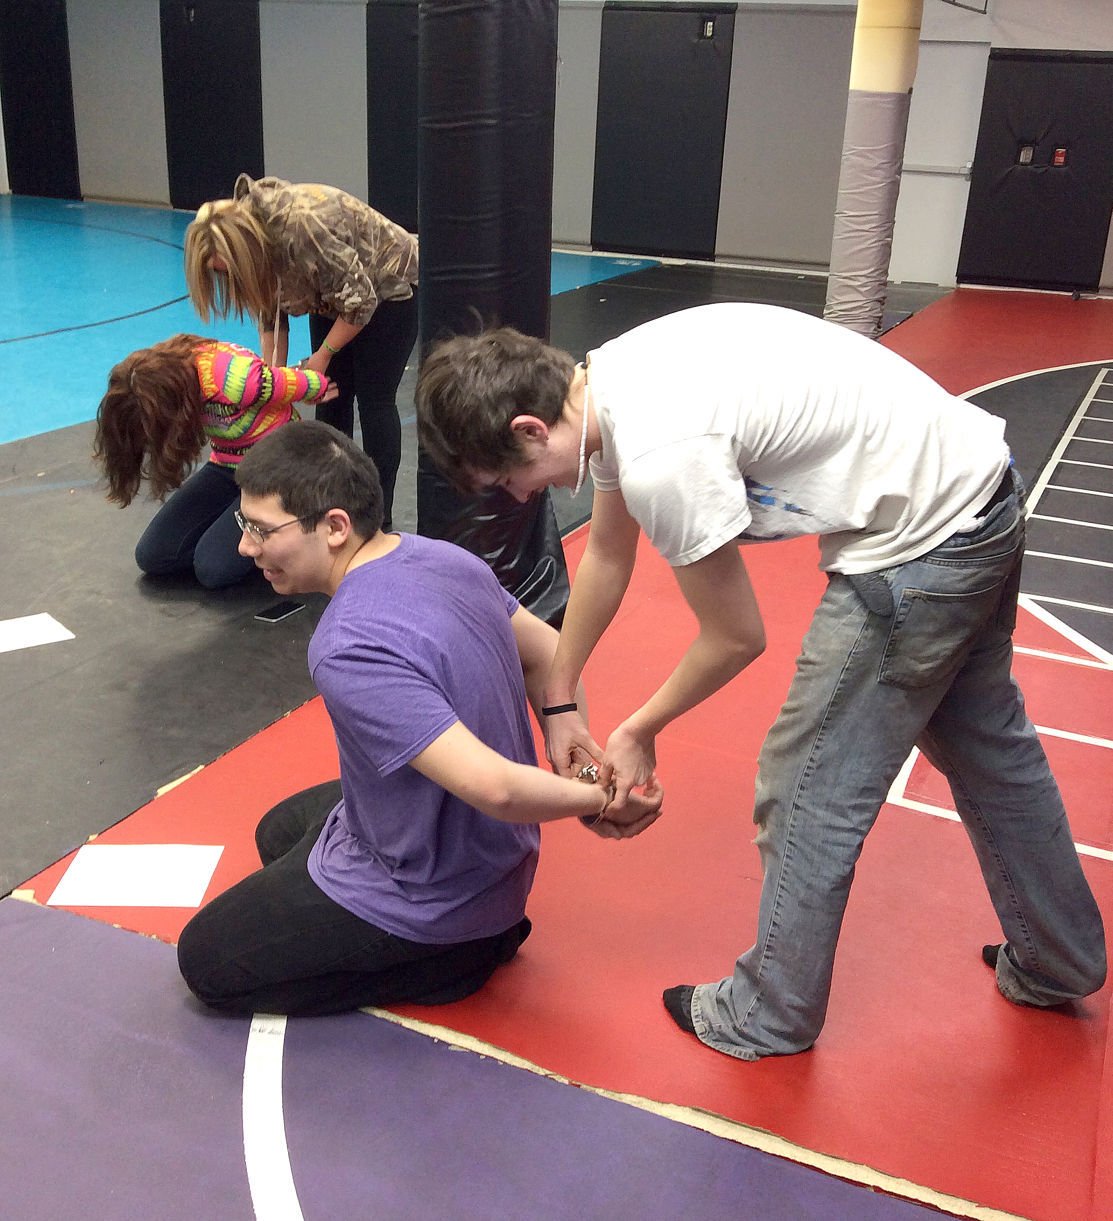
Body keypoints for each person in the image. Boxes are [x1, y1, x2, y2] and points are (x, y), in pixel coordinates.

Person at [414, 302, 1107, 1060]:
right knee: (985, 744)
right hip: (979, 495)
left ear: (529, 429)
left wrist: (639, 728)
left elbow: (735, 636)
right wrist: (560, 694)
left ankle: (769, 1011)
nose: (520, 498)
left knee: (805, 783)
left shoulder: (660, 454)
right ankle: (1058, 955)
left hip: (923, 552)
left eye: (511, 480)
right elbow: (609, 555)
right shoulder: (606, 379)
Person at [176, 419, 662, 1017]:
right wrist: (567, 726)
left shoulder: (347, 646)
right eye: (243, 526)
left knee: (206, 963)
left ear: (334, 527)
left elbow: (497, 788)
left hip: (441, 899)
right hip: (494, 856)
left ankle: (447, 960)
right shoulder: (443, 557)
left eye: (261, 531)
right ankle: (466, 931)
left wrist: (594, 801)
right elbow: (547, 656)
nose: (246, 548)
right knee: (279, 830)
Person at [184, 173, 419, 530]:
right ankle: (332, 497)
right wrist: (272, 380)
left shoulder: (300, 228)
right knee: (330, 396)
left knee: (374, 400)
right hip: (331, 292)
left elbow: (362, 300)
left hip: (387, 288)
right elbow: (269, 304)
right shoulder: (255, 238)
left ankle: (377, 519)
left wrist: (322, 356)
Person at [93, 333, 335, 588]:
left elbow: (286, 382)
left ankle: (291, 526)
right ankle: (235, 533)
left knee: (213, 569)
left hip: (275, 467)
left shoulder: (235, 378)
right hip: (228, 464)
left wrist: (317, 386)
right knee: (153, 555)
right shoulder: (164, 373)